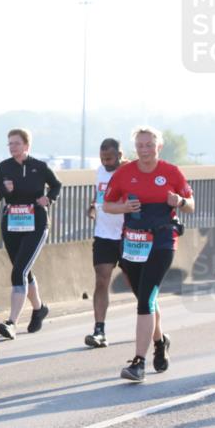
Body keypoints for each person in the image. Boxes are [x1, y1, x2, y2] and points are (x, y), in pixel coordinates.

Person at [103, 126, 194, 382]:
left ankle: (138, 363)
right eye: (141, 145)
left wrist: (180, 202)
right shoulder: (124, 173)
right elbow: (107, 205)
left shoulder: (171, 172)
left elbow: (191, 205)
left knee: (145, 300)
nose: (145, 149)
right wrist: (123, 206)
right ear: (136, 148)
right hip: (132, 245)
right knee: (147, 299)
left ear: (158, 147)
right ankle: (160, 341)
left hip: (163, 242)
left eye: (149, 145)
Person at [0, 128, 62, 339]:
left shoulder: (38, 167)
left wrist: (49, 198)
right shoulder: (4, 167)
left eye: (17, 143)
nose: (13, 147)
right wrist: (6, 190)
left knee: (19, 271)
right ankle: (39, 308)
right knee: (23, 269)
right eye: (10, 143)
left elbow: (57, 185)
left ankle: (11, 322)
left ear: (26, 146)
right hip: (12, 224)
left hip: (36, 223)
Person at [86, 138, 126, 347]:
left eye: (109, 158)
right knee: (101, 280)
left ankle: (154, 328)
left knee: (137, 285)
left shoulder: (130, 171)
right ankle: (99, 329)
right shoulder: (100, 171)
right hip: (104, 235)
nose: (105, 162)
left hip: (128, 235)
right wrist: (93, 206)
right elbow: (99, 195)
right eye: (102, 158)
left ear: (120, 155)